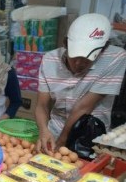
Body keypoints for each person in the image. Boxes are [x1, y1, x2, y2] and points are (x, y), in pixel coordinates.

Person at [35, 13, 126, 154]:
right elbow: (42, 105)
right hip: (54, 132)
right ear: (65, 44)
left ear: (103, 50)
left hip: (91, 137)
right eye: (75, 56)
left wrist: (62, 142)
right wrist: (43, 130)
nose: (79, 63)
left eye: (86, 59)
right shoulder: (50, 60)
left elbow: (83, 107)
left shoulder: (114, 58)